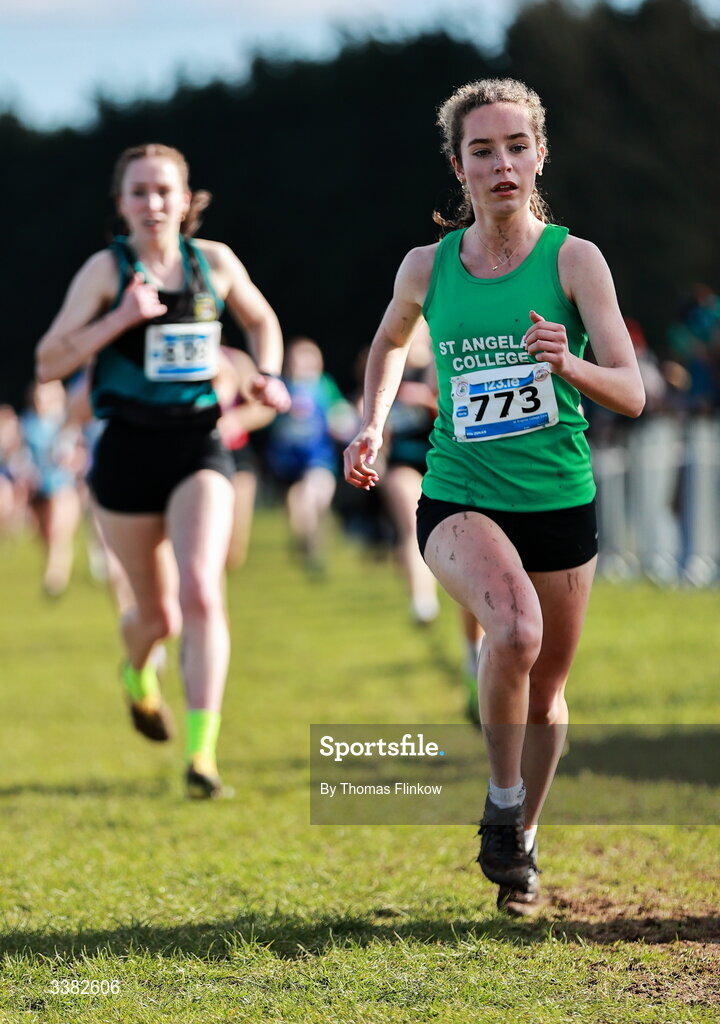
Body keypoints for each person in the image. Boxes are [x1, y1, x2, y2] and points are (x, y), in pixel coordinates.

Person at [344, 79, 644, 915]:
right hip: (458, 492)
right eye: (483, 150)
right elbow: (388, 346)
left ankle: (522, 843)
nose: (502, 163)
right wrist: (371, 424)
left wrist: (569, 363)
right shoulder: (427, 267)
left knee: (546, 691)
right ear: (460, 167)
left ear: (540, 154)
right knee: (512, 627)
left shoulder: (574, 261)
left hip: (558, 497)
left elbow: (631, 391)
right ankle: (502, 803)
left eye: (517, 146)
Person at [36, 143, 290, 798]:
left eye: (164, 191)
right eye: (140, 192)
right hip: (125, 452)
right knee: (156, 617)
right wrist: (118, 319)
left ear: (187, 201)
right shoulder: (106, 270)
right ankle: (137, 675)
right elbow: (47, 362)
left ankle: (202, 757)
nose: (153, 203)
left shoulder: (216, 263)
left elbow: (262, 321)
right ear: (121, 205)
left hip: (199, 443)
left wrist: (266, 375)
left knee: (203, 589)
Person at [266, 337, 357, 575]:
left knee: (313, 497)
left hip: (319, 458)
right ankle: (306, 545)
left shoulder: (324, 386)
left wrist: (342, 423)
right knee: (297, 508)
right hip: (287, 462)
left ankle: (316, 552)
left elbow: (339, 414)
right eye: (298, 359)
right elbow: (270, 422)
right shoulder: (282, 386)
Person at [20, 381, 83, 597]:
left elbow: (77, 454)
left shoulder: (64, 423)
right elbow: (20, 454)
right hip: (38, 486)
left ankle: (55, 577)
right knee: (43, 533)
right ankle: (52, 567)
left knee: (58, 531)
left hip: (61, 485)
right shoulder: (28, 424)